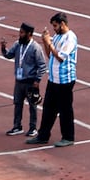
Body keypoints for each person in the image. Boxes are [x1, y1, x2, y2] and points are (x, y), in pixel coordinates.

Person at [28, 11, 77, 148]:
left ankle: (68, 137)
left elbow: (61, 57)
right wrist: (46, 42)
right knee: (49, 108)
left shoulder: (70, 38)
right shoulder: (57, 36)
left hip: (65, 80)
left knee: (65, 110)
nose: (54, 29)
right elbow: (50, 55)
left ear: (62, 24)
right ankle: (43, 135)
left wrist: (49, 43)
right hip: (54, 79)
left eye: (55, 26)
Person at [1, 22, 46, 137]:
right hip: (19, 81)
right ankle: (17, 126)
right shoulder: (17, 45)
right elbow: (9, 55)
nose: (19, 35)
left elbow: (42, 66)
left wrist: (37, 80)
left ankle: (33, 127)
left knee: (32, 105)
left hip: (31, 82)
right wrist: (3, 48)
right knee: (17, 103)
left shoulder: (36, 48)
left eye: (22, 33)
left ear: (29, 34)